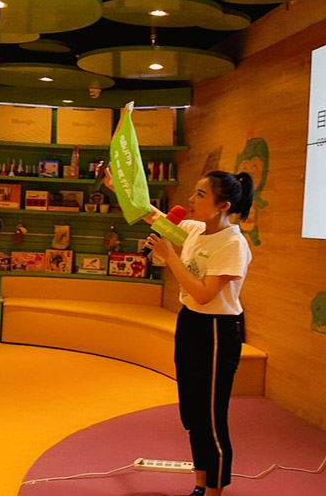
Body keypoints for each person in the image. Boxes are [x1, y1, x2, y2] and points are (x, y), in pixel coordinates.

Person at [107, 168, 254, 496]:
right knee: (192, 413)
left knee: (211, 416)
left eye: (201, 194)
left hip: (217, 330)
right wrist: (119, 187)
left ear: (223, 206)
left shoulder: (233, 244)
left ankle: (214, 491)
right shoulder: (194, 229)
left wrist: (169, 256)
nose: (190, 199)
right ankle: (200, 486)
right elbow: (150, 214)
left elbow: (203, 293)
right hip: (190, 322)